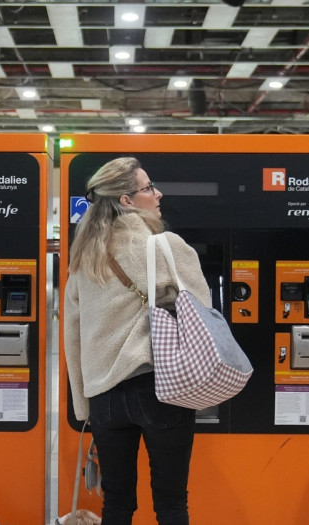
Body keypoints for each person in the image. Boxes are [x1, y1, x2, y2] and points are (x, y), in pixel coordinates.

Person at [63, 157, 211, 525]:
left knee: (116, 503)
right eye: (148, 188)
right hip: (159, 387)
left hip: (105, 398)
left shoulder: (84, 256)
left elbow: (73, 332)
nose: (157, 194)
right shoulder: (164, 246)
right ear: (127, 200)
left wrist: (84, 405)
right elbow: (203, 310)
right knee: (172, 503)